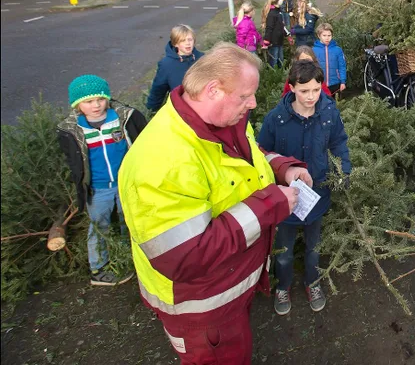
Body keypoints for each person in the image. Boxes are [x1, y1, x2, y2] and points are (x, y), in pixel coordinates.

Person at [119, 43, 308, 364]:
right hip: (201, 309)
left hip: (227, 290)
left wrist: (282, 168)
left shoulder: (220, 118)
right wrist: (272, 203)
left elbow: (246, 159)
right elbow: (187, 257)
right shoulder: (164, 161)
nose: (254, 102)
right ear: (213, 90)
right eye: (246, 95)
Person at [257, 60, 351, 316]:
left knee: (314, 247)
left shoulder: (329, 114)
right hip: (286, 198)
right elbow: (261, 153)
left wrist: (343, 170)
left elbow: (339, 144)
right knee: (284, 250)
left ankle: (313, 282)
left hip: (318, 194)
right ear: (292, 88)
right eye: (304, 91)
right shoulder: (276, 119)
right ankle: (283, 286)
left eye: (316, 90)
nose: (310, 97)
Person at [57, 75, 147, 287]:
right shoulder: (75, 130)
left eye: (101, 99)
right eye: (89, 101)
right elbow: (74, 161)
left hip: (126, 183)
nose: (96, 105)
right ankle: (98, 268)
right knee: (100, 226)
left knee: (129, 221)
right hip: (98, 189)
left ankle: (129, 256)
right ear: (78, 105)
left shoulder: (122, 118)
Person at [146, 25, 203, 112]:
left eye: (190, 39)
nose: (188, 43)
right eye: (183, 40)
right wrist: (151, 111)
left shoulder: (203, 58)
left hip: (203, 107)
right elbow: (158, 90)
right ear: (175, 43)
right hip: (182, 111)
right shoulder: (166, 64)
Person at [313, 22, 347, 95]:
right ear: (319, 36)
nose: (327, 38)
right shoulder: (313, 50)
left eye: (329, 35)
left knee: (334, 104)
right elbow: (311, 68)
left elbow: (342, 66)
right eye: (324, 35)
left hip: (335, 83)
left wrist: (343, 82)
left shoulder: (338, 50)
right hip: (319, 84)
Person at [261, 0, 289, 69]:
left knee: (281, 59)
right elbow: (269, 28)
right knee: (274, 60)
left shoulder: (278, 12)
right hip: (273, 42)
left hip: (279, 41)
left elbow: (282, 26)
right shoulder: (272, 14)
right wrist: (266, 41)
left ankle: (281, 74)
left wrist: (287, 35)